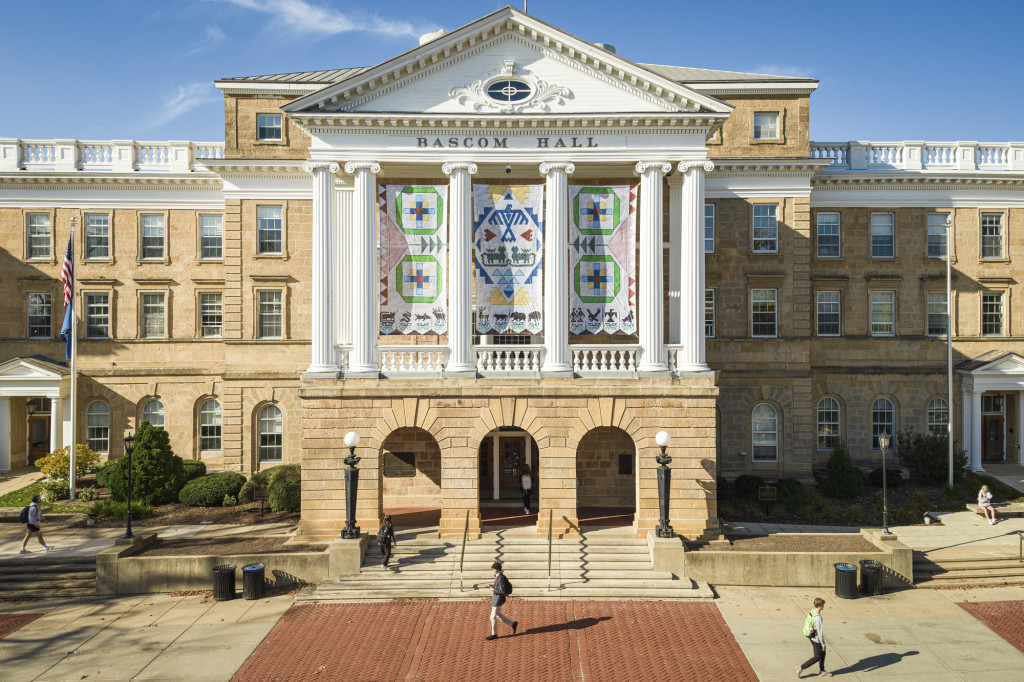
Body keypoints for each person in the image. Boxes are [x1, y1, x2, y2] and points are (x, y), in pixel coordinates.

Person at [796, 597, 830, 678]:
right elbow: (819, 632)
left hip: (811, 636)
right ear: (820, 605)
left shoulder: (812, 611)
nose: (823, 606)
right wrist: (823, 644)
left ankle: (822, 671)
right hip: (816, 639)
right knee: (817, 657)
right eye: (823, 605)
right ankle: (801, 668)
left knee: (823, 653)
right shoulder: (817, 618)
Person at [486, 561, 517, 640]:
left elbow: (502, 590)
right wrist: (492, 585)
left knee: (492, 617)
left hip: (498, 599)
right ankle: (513, 624)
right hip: (497, 599)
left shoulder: (500, 577)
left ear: (496, 569)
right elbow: (499, 587)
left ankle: (494, 634)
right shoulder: (499, 576)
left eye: (493, 569)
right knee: (498, 614)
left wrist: (493, 590)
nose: (492, 570)